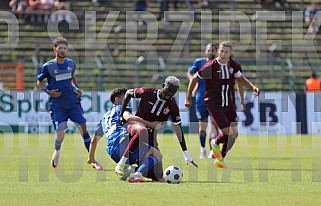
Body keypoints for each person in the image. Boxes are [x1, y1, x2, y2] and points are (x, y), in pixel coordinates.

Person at [185, 41, 260, 169]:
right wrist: (188, 98)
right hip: (213, 103)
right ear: (218, 52)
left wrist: (252, 86)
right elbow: (194, 79)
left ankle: (220, 159)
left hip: (228, 103)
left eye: (227, 51)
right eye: (222, 51)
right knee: (228, 133)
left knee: (234, 135)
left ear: (231, 53)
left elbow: (240, 79)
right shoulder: (211, 66)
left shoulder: (233, 65)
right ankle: (215, 142)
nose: (224, 54)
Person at [36, 37, 102, 170]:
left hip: (73, 103)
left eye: (65, 48)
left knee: (83, 129)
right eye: (60, 48)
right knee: (60, 135)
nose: (62, 50)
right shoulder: (48, 66)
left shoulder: (71, 63)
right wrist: (49, 92)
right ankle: (57, 152)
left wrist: (76, 88)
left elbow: (72, 77)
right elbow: (39, 82)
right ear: (55, 49)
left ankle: (92, 159)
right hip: (58, 105)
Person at [120, 76, 198, 181]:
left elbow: (178, 128)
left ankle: (130, 170)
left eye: (173, 92)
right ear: (163, 86)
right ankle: (127, 167)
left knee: (158, 174)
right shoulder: (147, 92)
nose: (170, 94)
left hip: (151, 135)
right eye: (168, 90)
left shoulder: (172, 105)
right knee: (143, 138)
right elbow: (128, 93)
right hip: (137, 129)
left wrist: (186, 154)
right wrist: (121, 114)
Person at [87, 88, 163, 182]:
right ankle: (136, 174)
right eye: (125, 97)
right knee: (157, 154)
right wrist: (151, 124)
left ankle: (128, 169)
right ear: (117, 99)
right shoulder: (121, 108)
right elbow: (128, 117)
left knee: (144, 152)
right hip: (122, 145)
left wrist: (91, 159)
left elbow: (94, 141)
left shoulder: (104, 119)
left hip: (113, 153)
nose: (128, 99)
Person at [186, 43, 220, 159]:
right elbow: (189, 72)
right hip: (201, 99)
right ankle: (203, 149)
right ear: (206, 51)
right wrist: (193, 81)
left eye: (213, 50)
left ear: (216, 52)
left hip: (215, 99)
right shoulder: (199, 62)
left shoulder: (220, 64)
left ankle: (212, 151)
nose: (211, 52)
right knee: (202, 128)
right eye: (209, 50)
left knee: (215, 125)